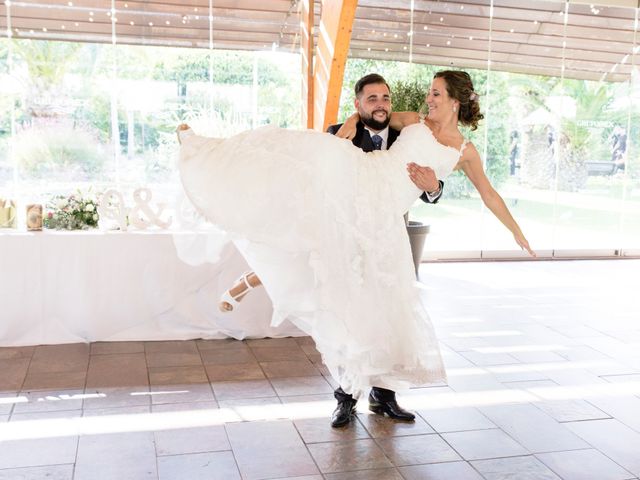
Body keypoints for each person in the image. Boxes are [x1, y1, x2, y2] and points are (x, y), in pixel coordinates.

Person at [177, 69, 534, 430]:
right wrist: (348, 120)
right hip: (357, 184)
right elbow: (362, 116)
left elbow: (488, 194)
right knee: (295, 161)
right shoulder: (413, 121)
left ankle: (382, 396)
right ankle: (203, 151)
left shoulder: (464, 152)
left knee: (383, 307)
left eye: (437, 94)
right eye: (430, 92)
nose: (429, 98)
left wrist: (512, 228)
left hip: (384, 223)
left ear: (456, 101)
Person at [326, 73, 444, 427]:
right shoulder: (339, 134)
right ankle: (346, 398)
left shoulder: (407, 137)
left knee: (390, 316)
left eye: (386, 98)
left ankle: (384, 396)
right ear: (358, 104)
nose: (381, 104)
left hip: (392, 244)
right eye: (372, 98)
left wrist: (435, 186)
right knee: (354, 320)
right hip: (352, 245)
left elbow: (430, 183)